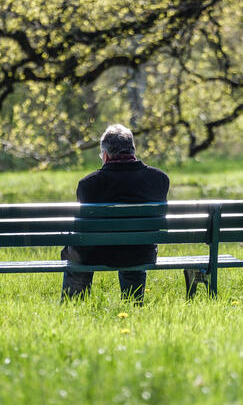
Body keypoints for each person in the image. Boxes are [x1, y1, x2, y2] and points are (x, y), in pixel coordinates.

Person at [61, 124, 169, 304]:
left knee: (77, 254)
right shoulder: (159, 179)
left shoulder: (89, 184)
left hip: (96, 253)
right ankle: (133, 304)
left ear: (105, 155)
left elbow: (84, 226)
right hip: (141, 252)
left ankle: (75, 306)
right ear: (133, 150)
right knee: (132, 248)